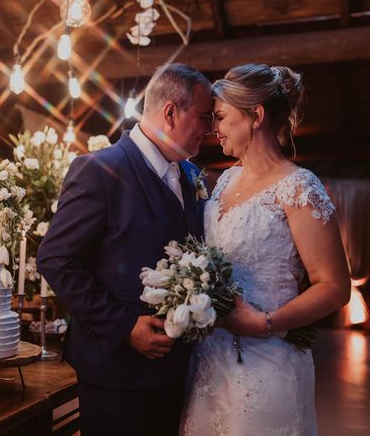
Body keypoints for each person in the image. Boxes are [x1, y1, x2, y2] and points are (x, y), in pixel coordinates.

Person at [37, 63, 213, 436]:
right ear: (171, 112)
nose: (209, 129)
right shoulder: (99, 170)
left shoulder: (191, 177)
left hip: (177, 372)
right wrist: (123, 327)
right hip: (116, 374)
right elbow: (56, 259)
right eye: (203, 117)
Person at [181, 64, 350, 435]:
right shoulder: (226, 180)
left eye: (222, 117)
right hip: (211, 359)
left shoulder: (298, 187)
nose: (214, 128)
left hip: (268, 360)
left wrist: (266, 323)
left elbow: (334, 286)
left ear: (255, 116)